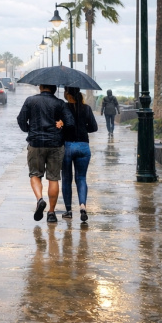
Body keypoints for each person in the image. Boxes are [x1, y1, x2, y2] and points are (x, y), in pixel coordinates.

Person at [17, 84, 75, 223]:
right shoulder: (60, 103)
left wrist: (29, 130)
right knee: (53, 178)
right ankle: (51, 213)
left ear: (41, 87)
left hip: (36, 143)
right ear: (54, 89)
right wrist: (62, 123)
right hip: (55, 144)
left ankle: (40, 200)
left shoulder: (30, 100)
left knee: (35, 174)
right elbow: (71, 122)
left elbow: (21, 120)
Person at [60, 86, 98, 222]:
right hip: (83, 146)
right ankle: (82, 206)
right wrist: (82, 128)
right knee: (81, 178)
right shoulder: (86, 108)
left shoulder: (63, 108)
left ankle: (69, 211)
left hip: (67, 146)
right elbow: (94, 127)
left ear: (67, 94)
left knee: (66, 179)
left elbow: (58, 126)